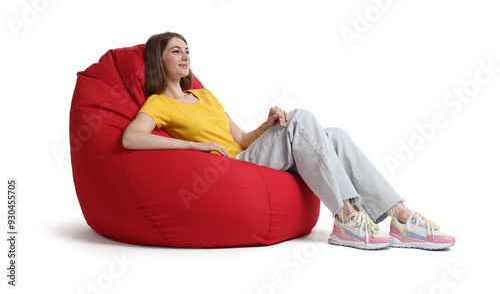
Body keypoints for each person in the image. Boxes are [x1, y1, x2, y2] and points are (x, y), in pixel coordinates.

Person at [122, 31, 455, 250]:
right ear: (158, 60)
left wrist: (268, 125)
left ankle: (399, 216)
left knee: (334, 135)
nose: (185, 56)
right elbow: (131, 138)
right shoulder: (159, 103)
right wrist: (194, 147)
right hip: (227, 170)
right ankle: (346, 217)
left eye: (187, 51)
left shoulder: (204, 97)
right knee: (302, 117)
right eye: (176, 51)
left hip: (247, 158)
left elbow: (241, 138)